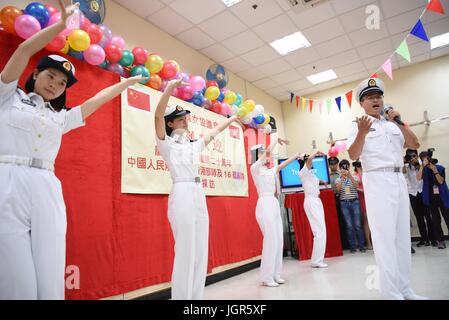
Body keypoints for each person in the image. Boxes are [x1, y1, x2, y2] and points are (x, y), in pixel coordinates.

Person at [0, 1, 147, 300]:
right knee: (16, 275)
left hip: (47, 186)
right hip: (8, 181)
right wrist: (61, 26)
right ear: (35, 75)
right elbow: (22, 52)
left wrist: (126, 83)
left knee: (52, 265)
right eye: (50, 76)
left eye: (62, 82)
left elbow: (98, 99)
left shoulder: (60, 117)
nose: (55, 84)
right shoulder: (8, 96)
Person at [154, 78, 241, 300]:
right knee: (185, 249)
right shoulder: (166, 144)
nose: (184, 122)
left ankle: (195, 298)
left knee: (201, 250)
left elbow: (213, 134)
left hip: (197, 192)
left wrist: (230, 119)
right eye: (179, 119)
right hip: (181, 191)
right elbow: (157, 116)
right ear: (170, 124)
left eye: (185, 119)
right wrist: (169, 89)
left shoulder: (193, 145)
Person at [347, 77, 427, 300]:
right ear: (362, 103)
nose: (376, 100)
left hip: (399, 179)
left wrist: (400, 122)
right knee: (384, 240)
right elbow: (353, 155)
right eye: (370, 97)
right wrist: (363, 132)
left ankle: (405, 289)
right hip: (377, 181)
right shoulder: (357, 125)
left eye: (378, 96)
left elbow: (414, 144)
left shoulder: (392, 124)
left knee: (402, 237)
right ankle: (391, 294)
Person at [250, 137, 299, 287]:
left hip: (273, 203)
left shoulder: (270, 170)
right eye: (262, 153)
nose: (266, 155)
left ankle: (276, 274)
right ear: (257, 156)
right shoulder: (255, 169)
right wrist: (276, 140)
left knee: (278, 239)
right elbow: (268, 152)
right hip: (264, 204)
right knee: (270, 240)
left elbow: (283, 165)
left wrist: (295, 156)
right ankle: (266, 277)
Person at [298, 151, 328, 268]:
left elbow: (315, 180)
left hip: (316, 200)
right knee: (318, 231)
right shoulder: (303, 172)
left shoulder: (310, 174)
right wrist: (316, 151)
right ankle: (316, 261)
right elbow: (310, 159)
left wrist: (322, 181)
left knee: (322, 230)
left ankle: (317, 259)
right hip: (311, 201)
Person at [417, 150, 449, 249]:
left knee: (447, 218)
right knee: (435, 220)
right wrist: (422, 166)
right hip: (431, 199)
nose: (425, 161)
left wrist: (435, 170)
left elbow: (441, 181)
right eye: (423, 159)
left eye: (426, 159)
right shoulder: (423, 170)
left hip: (442, 197)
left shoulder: (440, 168)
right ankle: (440, 241)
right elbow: (418, 178)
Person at [403, 149, 434, 247]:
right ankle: (424, 239)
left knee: (428, 217)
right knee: (419, 218)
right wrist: (403, 162)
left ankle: (432, 239)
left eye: (413, 156)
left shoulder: (422, 164)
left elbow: (419, 178)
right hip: (412, 193)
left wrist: (419, 164)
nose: (412, 158)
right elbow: (402, 172)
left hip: (422, 192)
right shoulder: (406, 166)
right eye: (409, 156)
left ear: (417, 155)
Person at [335, 160, 366, 253]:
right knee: (349, 226)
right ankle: (352, 247)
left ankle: (362, 246)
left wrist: (350, 176)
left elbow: (357, 185)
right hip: (344, 203)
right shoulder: (338, 179)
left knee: (358, 225)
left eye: (346, 167)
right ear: (340, 169)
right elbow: (337, 190)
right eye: (342, 167)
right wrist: (342, 178)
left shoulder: (355, 177)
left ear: (349, 167)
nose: (344, 169)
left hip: (355, 202)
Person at [329, 157, 350, 250]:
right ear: (329, 165)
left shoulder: (341, 174)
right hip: (331, 199)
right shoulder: (327, 175)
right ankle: (337, 245)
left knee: (344, 221)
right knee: (333, 221)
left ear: (337, 164)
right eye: (331, 164)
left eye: (335, 164)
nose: (333, 166)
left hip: (341, 197)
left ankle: (346, 244)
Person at [353, 160, 372, 250]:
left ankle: (374, 241)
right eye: (358, 164)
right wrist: (359, 171)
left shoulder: (369, 173)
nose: (360, 165)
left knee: (374, 221)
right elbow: (357, 186)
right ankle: (368, 243)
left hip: (371, 198)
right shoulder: (355, 175)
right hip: (362, 199)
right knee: (366, 221)